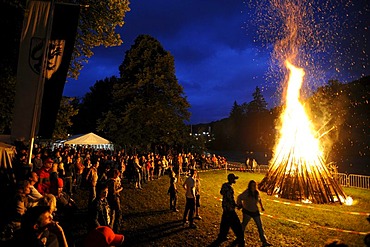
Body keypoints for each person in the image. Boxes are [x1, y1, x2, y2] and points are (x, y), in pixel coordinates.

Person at [237, 180, 271, 246]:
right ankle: (239, 237)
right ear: (250, 186)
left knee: (260, 226)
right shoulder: (247, 192)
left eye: (255, 185)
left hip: (255, 212)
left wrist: (262, 207)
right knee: (243, 225)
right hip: (247, 212)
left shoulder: (256, 192)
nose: (254, 186)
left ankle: (264, 241)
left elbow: (259, 199)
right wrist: (240, 205)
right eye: (252, 185)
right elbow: (239, 197)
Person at [215, 173, 244, 246]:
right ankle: (240, 238)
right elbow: (230, 199)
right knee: (236, 224)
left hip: (225, 208)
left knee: (225, 223)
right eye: (234, 179)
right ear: (231, 179)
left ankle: (222, 236)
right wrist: (236, 205)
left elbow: (221, 192)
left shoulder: (224, 185)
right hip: (229, 209)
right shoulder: (229, 188)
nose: (235, 180)